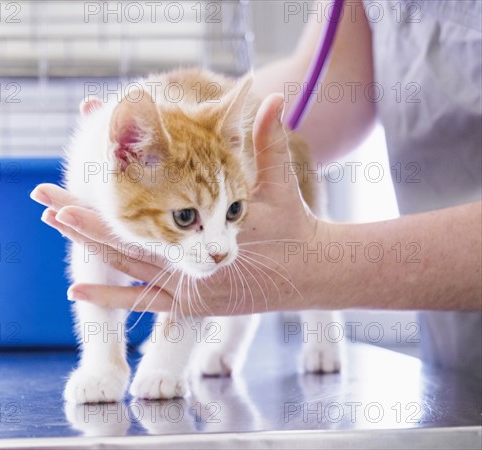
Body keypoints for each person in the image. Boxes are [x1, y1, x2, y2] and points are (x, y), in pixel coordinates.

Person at [31, 1, 481, 372]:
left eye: (231, 214)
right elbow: (327, 83)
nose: (220, 245)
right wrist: (219, 131)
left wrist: (323, 263)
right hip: (456, 353)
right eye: (187, 216)